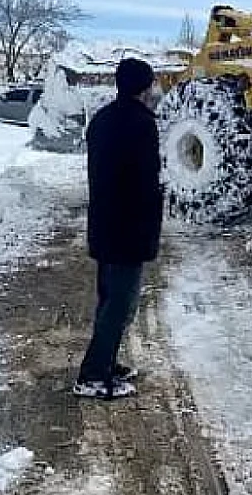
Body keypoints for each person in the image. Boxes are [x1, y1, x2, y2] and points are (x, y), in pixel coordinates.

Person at [72, 57, 164, 400]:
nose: (154, 90)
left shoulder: (102, 119)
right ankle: (93, 375)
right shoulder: (141, 124)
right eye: (152, 84)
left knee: (108, 299)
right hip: (128, 227)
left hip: (105, 223)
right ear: (143, 86)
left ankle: (106, 361)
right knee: (121, 305)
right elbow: (145, 182)